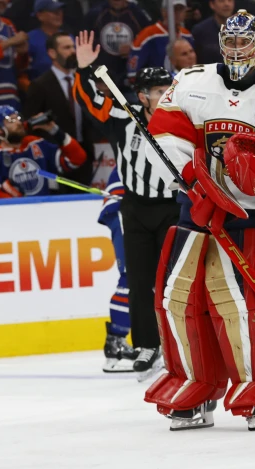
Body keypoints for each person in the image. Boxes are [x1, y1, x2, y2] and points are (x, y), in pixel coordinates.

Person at [144, 10, 255, 431]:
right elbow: (163, 135)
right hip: (199, 211)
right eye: (231, 41)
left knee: (245, 306)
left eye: (245, 43)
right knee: (181, 299)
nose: (237, 50)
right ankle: (195, 384)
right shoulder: (191, 81)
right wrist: (191, 178)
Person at [74, 30, 180, 381]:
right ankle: (147, 344)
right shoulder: (124, 117)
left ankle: (179, 343)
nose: (162, 96)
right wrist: (86, 70)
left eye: (167, 90)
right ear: (141, 95)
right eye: (156, 91)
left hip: (171, 209)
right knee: (138, 281)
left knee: (173, 281)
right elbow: (93, 102)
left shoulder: (182, 121)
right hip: (134, 209)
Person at [24, 31, 94, 188]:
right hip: (57, 158)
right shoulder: (39, 85)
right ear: (52, 53)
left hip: (84, 157)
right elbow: (31, 124)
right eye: (66, 48)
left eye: (73, 47)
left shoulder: (83, 81)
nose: (72, 52)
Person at [0, 105, 86, 197]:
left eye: (18, 118)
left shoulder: (35, 144)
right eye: (11, 120)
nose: (18, 123)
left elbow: (77, 159)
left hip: (43, 211)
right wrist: (18, 202)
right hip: (10, 217)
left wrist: (54, 130)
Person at [99, 169, 139, 373]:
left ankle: (143, 343)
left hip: (138, 206)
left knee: (142, 276)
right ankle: (117, 347)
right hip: (125, 204)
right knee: (131, 276)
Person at [83, 0, 152, 89]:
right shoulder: (95, 14)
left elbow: (150, 43)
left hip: (129, 78)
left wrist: (134, 48)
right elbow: (84, 42)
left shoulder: (138, 14)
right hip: (102, 77)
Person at [127, 0, 194, 83]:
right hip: (157, 89)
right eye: (174, 9)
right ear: (164, 11)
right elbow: (133, 72)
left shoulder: (187, 35)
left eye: (181, 9)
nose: (177, 13)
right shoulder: (148, 35)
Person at [27, 0, 67, 81]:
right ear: (39, 15)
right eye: (53, 11)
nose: (59, 14)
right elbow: (22, 73)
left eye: (60, 11)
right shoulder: (30, 39)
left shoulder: (68, 37)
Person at [191, 0, 234, 64]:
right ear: (212, 4)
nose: (226, 4)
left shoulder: (243, 29)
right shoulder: (200, 30)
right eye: (221, 1)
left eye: (230, 0)